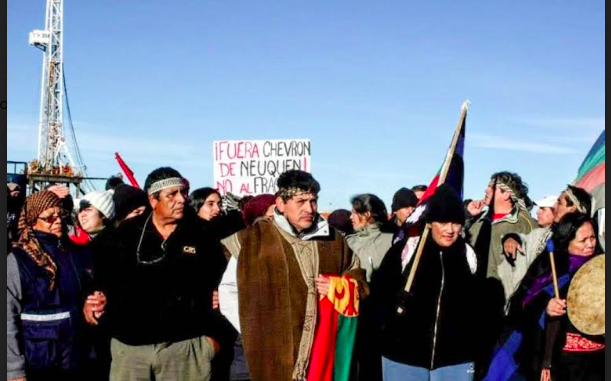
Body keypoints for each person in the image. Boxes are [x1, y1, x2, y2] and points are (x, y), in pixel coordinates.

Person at [90, 168, 228, 381]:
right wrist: (92, 298)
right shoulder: (123, 235)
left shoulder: (203, 234)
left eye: (182, 192)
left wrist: (212, 342)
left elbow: (225, 284)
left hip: (184, 350)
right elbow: (99, 279)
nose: (181, 199)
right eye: (171, 194)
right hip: (131, 351)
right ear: (153, 200)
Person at [237, 170, 367, 381]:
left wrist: (339, 288)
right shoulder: (252, 240)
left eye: (313, 201)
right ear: (280, 203)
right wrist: (255, 331)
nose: (309, 208)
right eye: (301, 201)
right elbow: (228, 291)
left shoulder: (333, 240)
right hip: (272, 351)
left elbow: (358, 275)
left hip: (322, 352)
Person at [375, 185, 483, 381]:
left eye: (456, 223)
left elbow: (478, 306)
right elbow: (379, 294)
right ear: (431, 222)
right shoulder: (405, 251)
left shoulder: (469, 256)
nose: (450, 230)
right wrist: (393, 319)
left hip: (455, 360)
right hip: (403, 358)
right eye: (443, 221)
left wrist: (471, 340)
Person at [497, 213, 604, 381]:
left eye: (592, 237)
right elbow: (524, 305)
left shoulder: (601, 266)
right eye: (583, 240)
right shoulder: (550, 269)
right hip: (561, 361)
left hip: (598, 361)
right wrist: (545, 307)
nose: (590, 244)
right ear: (566, 241)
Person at [7, 191, 93, 381]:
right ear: (32, 220)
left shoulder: (76, 253)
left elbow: (87, 292)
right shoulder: (18, 259)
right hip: (38, 363)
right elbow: (7, 317)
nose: (57, 221)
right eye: (49, 218)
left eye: (60, 215)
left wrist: (95, 301)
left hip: (76, 359)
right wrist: (13, 371)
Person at [218, 194, 276, 381]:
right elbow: (228, 290)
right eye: (272, 216)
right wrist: (250, 327)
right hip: (250, 338)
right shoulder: (244, 246)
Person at [500, 186, 592, 302]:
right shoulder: (549, 234)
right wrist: (511, 238)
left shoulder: (586, 244)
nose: (555, 206)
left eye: (559, 202)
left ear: (572, 207)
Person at [346, 194, 395, 381]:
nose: (350, 217)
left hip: (381, 316)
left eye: (354, 212)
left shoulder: (391, 240)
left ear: (366, 214)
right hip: (354, 315)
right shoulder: (349, 241)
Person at [466, 172, 536, 302]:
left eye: (492, 187)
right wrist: (468, 216)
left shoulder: (525, 223)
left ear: (506, 194)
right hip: (472, 298)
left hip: (503, 303)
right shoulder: (478, 220)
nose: (486, 190)